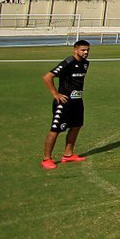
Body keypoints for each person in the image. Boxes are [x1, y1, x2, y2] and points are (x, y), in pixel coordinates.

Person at [41, 40, 91, 169]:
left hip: (77, 101)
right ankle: (46, 159)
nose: (85, 52)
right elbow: (47, 77)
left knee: (76, 126)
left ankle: (68, 155)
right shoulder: (68, 62)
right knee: (56, 129)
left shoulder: (85, 64)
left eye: (87, 50)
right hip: (64, 102)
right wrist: (55, 94)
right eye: (83, 50)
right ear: (75, 50)